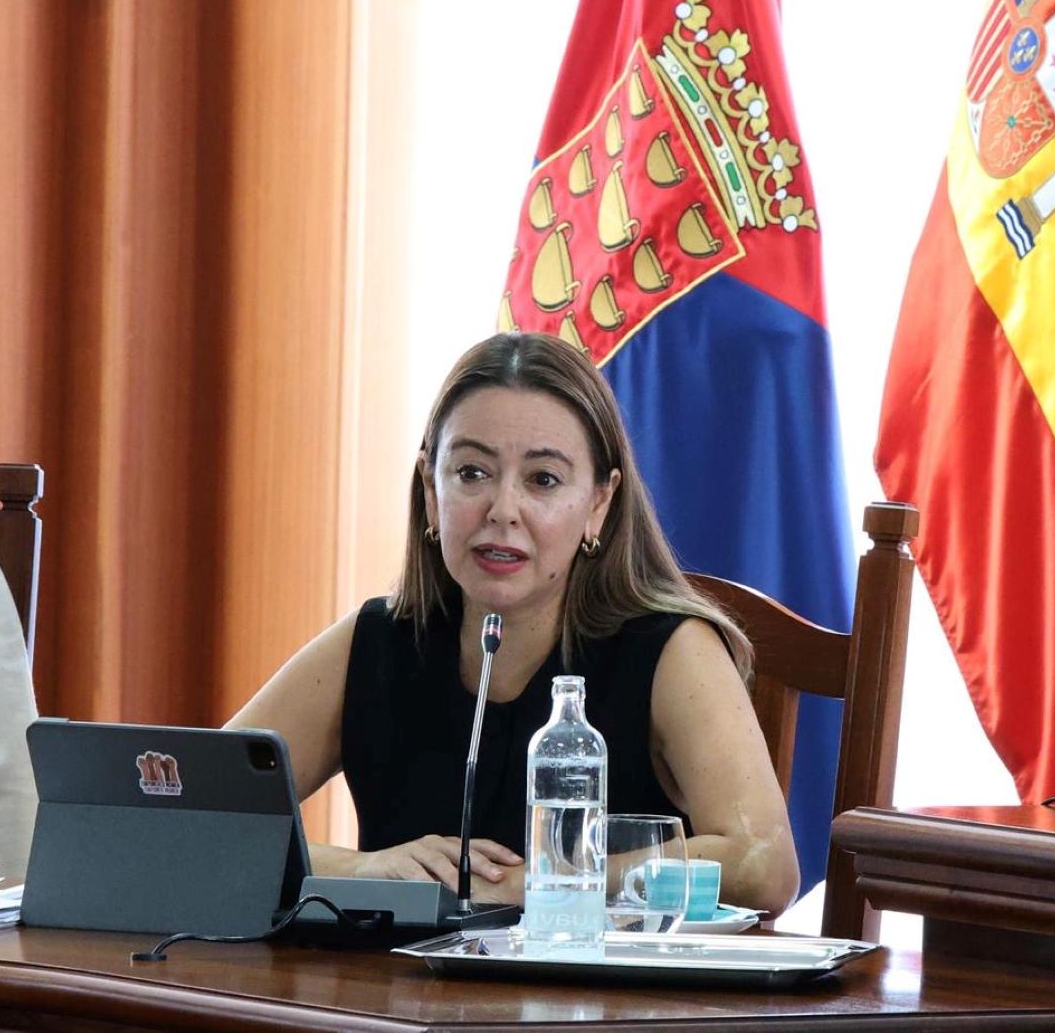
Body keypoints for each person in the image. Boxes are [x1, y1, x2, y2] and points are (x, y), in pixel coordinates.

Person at [229, 332, 800, 915]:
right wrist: (365, 869)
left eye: (542, 480)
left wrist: (550, 880)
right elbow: (193, 817)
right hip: (397, 1003)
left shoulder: (671, 651)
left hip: (603, 1003)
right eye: (471, 473)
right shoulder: (377, 641)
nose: (502, 509)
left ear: (599, 502)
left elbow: (763, 865)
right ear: (431, 488)